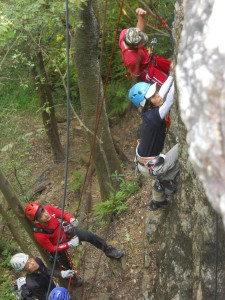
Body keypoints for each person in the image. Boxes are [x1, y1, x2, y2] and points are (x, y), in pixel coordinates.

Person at [128, 74, 179, 210]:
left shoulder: (148, 109)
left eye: (156, 93)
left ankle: (158, 200)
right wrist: (178, 77)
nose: (158, 96)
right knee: (183, 147)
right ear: (148, 102)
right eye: (154, 96)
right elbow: (169, 101)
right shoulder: (153, 117)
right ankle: (163, 182)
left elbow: (161, 95)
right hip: (151, 166)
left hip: (145, 162)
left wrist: (171, 76)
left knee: (167, 160)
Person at [25, 202, 124, 270]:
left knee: (88, 235)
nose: (45, 214)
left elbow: (63, 214)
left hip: (65, 232)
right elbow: (51, 248)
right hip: (58, 245)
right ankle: (74, 279)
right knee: (66, 266)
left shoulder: (49, 209)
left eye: (43, 210)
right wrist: (69, 245)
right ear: (37, 221)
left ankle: (108, 250)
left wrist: (71, 219)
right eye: (41, 215)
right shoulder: (39, 235)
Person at [119, 7, 171, 86]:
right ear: (134, 46)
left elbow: (139, 29)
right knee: (168, 86)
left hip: (150, 58)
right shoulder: (132, 59)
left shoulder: (125, 33)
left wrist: (141, 16)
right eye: (140, 43)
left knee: (172, 66)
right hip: (146, 71)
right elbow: (135, 76)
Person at [10, 253, 75, 300]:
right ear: (24, 270)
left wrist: (61, 273)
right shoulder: (32, 283)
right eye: (28, 264)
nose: (32, 262)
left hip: (53, 286)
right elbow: (43, 297)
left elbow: (47, 270)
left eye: (30, 259)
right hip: (48, 295)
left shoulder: (38, 261)